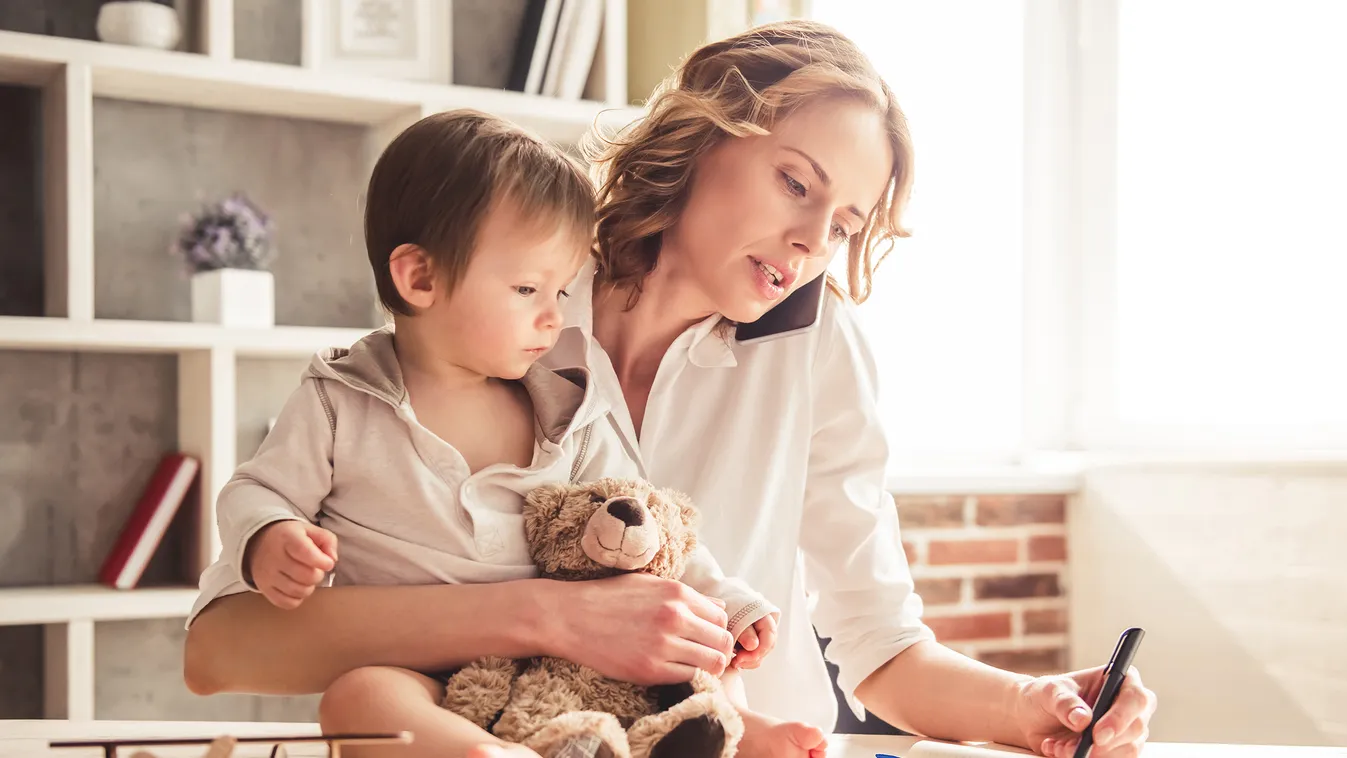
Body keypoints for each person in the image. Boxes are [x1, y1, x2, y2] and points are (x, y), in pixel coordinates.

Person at [184, 19, 1157, 758]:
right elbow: (224, 648)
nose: (817, 238)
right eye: (796, 183)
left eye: (847, 222)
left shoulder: (820, 350)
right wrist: (545, 613)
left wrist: (1027, 706)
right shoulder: (505, 298)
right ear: (705, 135)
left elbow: (880, 641)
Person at [185, 108, 785, 758]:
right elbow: (255, 490)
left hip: (564, 676)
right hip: (421, 676)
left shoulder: (570, 406)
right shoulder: (341, 399)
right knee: (356, 700)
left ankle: (734, 731)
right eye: (528, 288)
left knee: (690, 639)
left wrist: (726, 600)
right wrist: (269, 536)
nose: (552, 319)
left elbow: (652, 523)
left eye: (560, 291)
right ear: (420, 278)